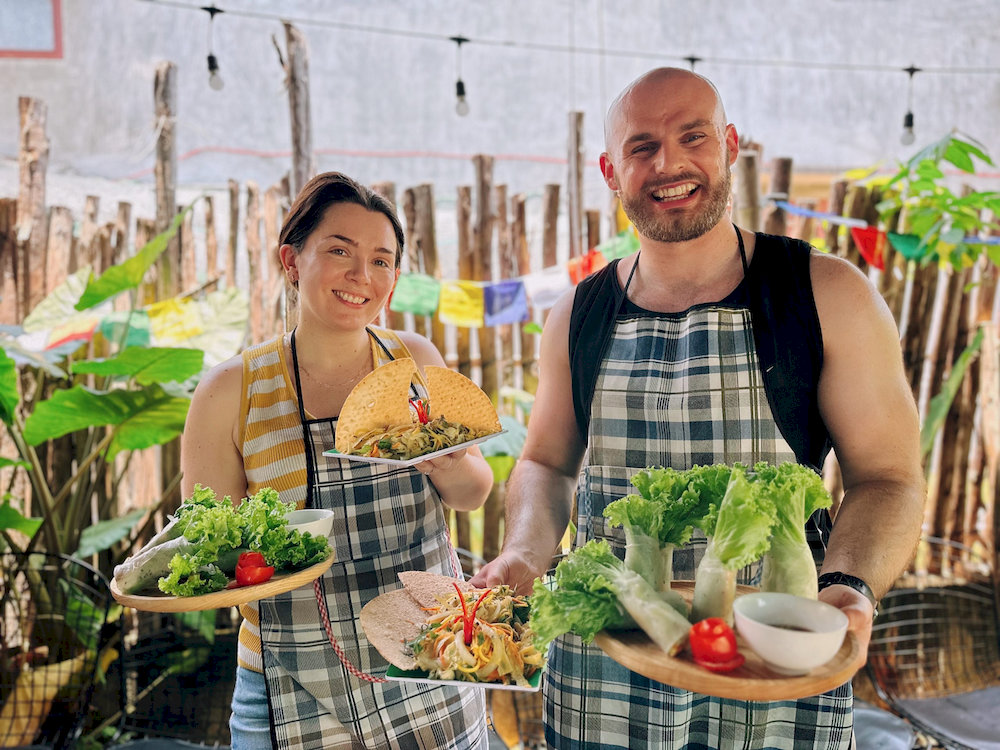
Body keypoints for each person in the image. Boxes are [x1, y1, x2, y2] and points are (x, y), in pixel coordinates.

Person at [470, 67, 925, 749]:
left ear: (731, 144)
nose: (669, 164)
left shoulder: (826, 295)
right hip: (604, 685)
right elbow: (543, 462)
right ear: (610, 170)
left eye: (693, 137)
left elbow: (888, 478)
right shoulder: (579, 313)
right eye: (642, 146)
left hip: (773, 668)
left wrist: (848, 584)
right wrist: (525, 553)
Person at [181, 171, 495, 750]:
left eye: (382, 260)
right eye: (339, 251)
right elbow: (212, 549)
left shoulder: (415, 362)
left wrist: (447, 466)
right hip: (292, 678)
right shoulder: (231, 391)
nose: (362, 276)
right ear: (291, 260)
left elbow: (474, 490)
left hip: (429, 660)